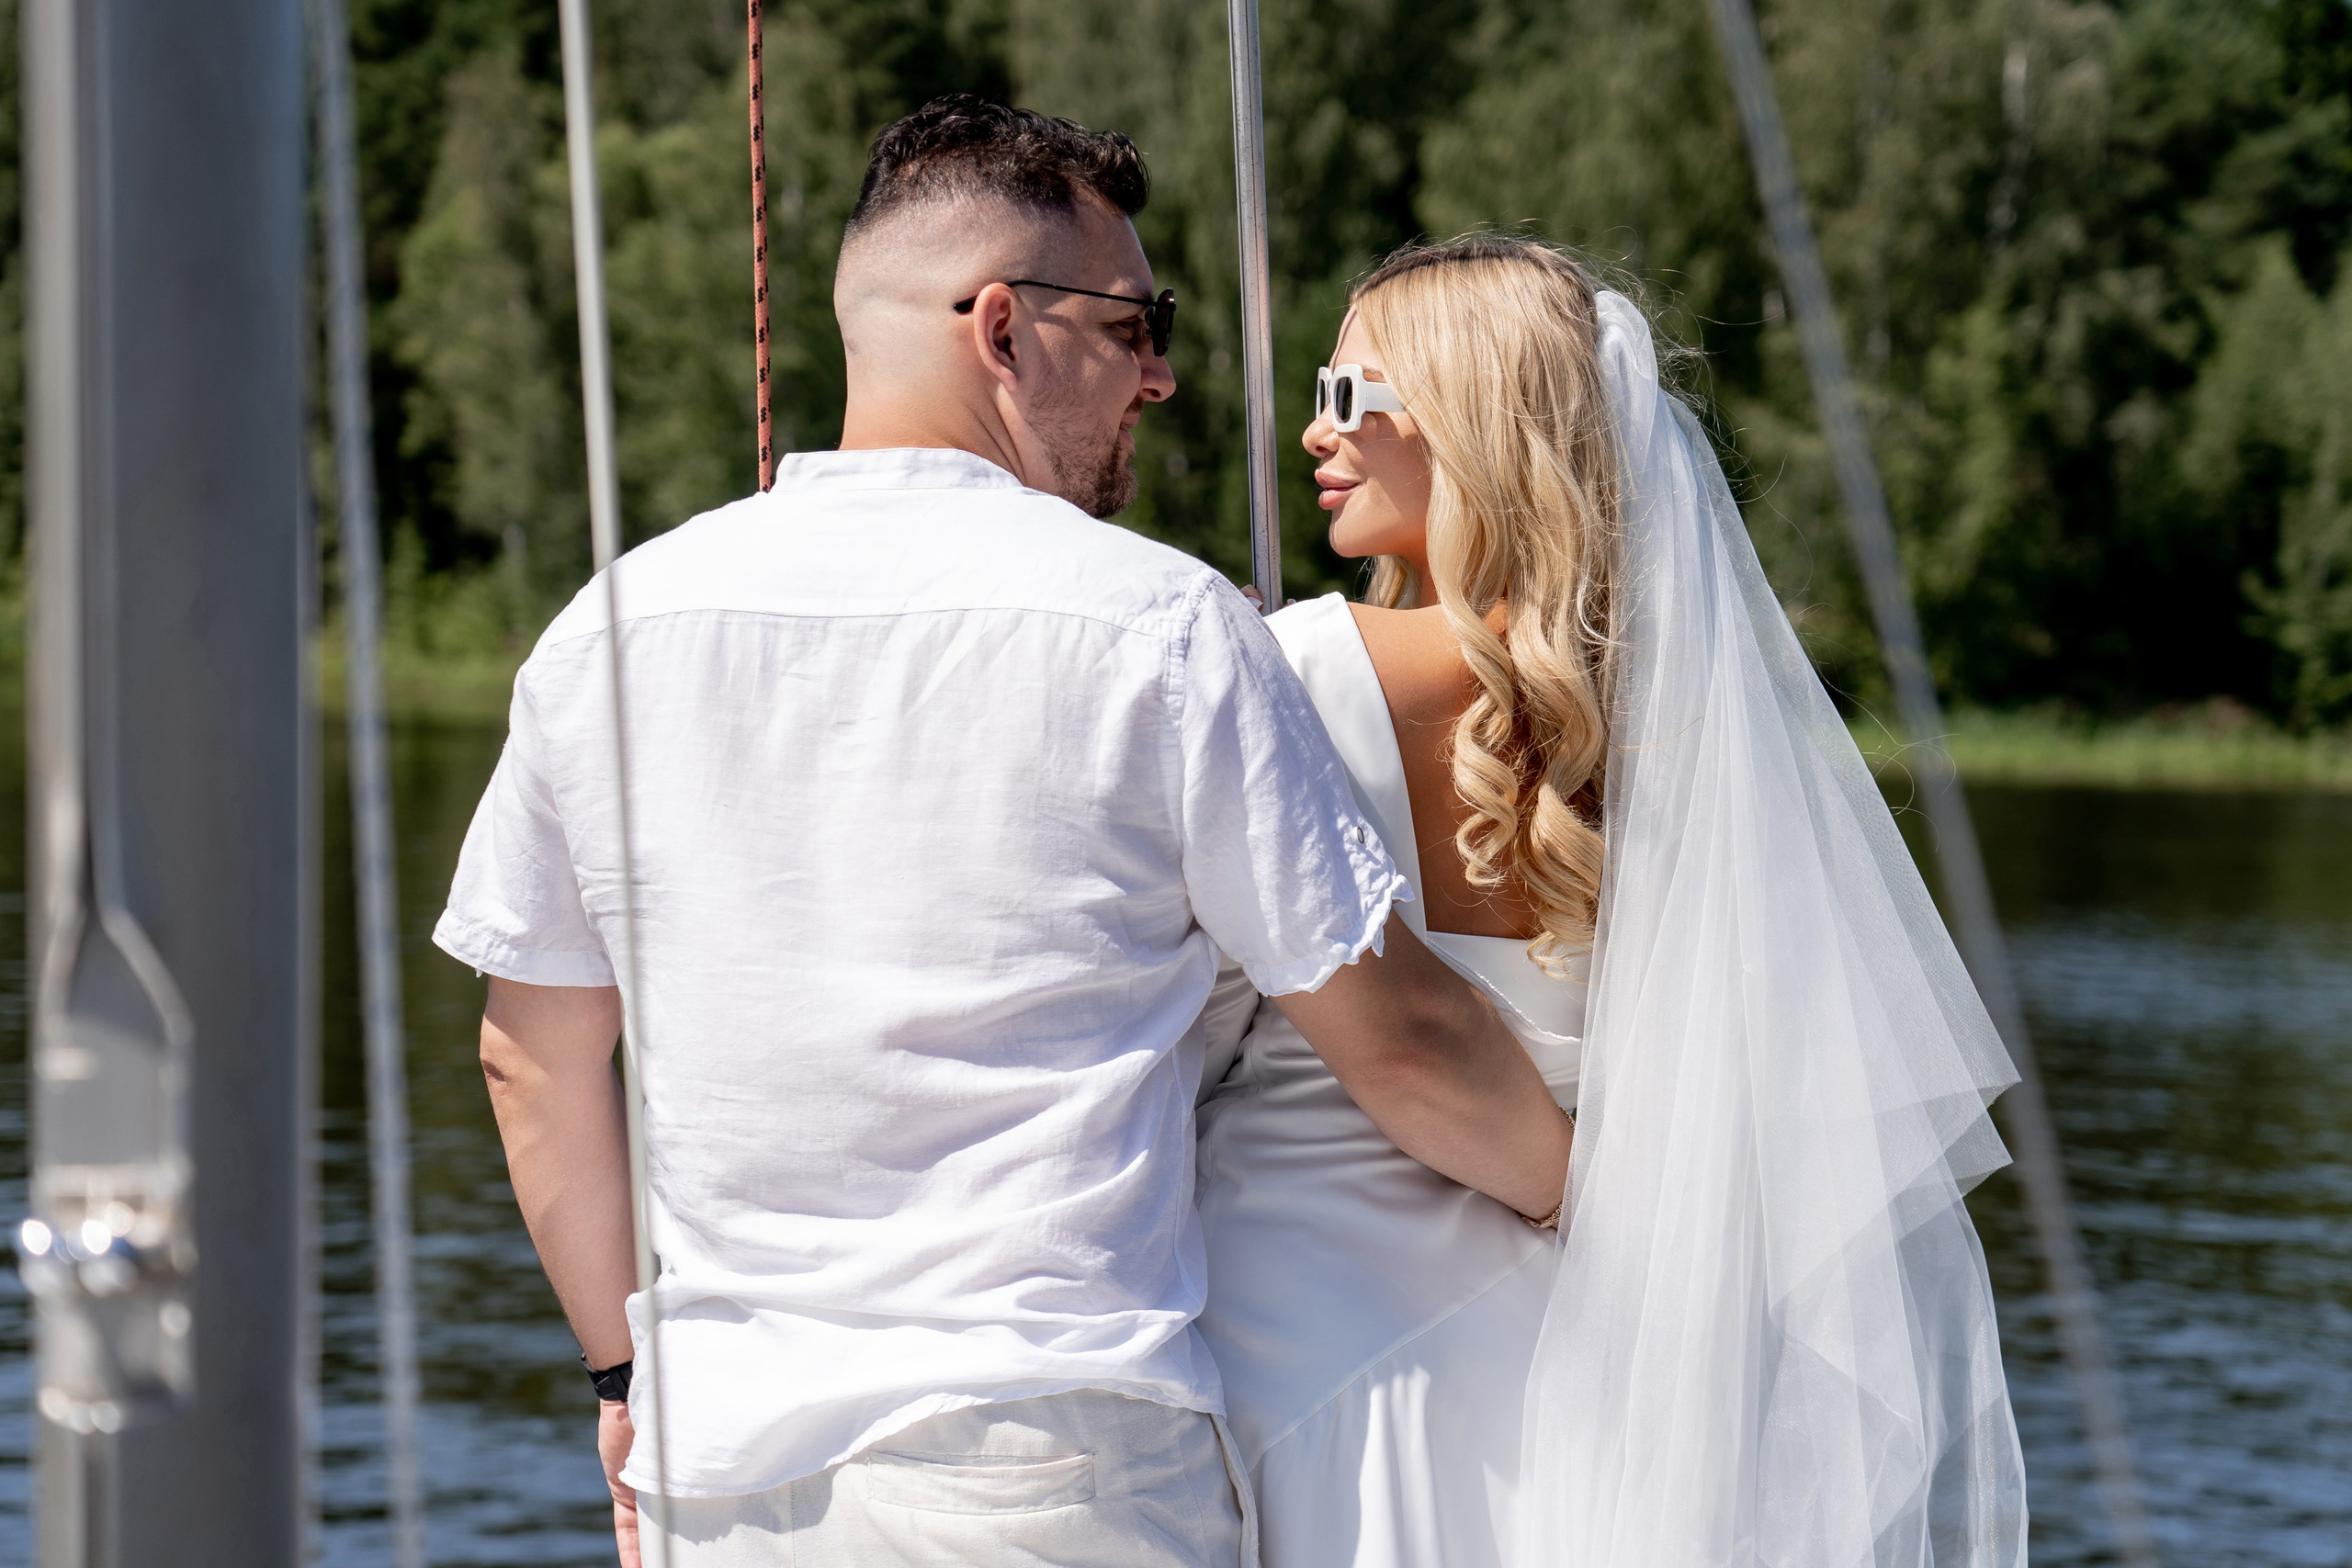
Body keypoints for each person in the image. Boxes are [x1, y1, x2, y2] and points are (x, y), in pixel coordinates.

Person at [433, 100, 1575, 1568]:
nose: (1159, 376)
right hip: (1043, 1466)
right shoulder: (1157, 625)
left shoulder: (609, 630)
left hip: (721, 1479)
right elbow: (1404, 1042)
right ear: (1001, 327)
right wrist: (1611, 1216)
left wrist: (620, 1376)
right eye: (1136, 324)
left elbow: (530, 1061)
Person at [1194, 237, 2028, 1567]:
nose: (1314, 431)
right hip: (1581, 1377)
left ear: (1467, 421)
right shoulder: (1677, 735)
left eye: (1349, 395)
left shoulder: (1284, 669)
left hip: (1306, 1346)